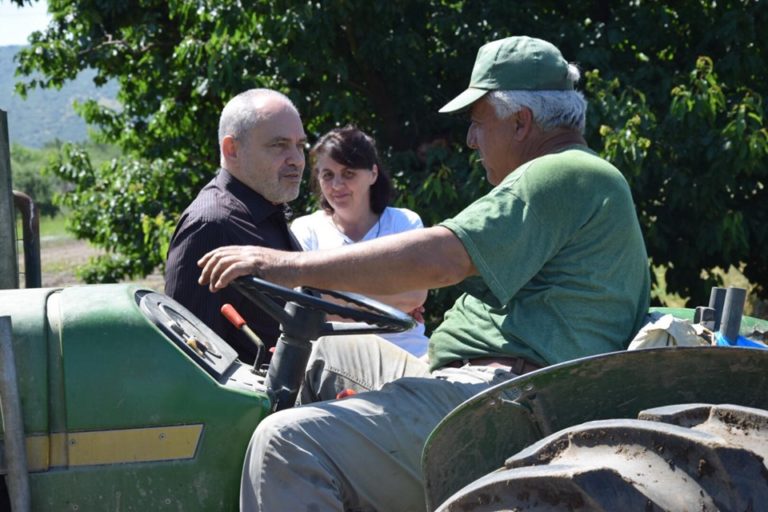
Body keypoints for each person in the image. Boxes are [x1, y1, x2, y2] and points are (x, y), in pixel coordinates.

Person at [198, 36, 651, 511]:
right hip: (490, 382)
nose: (472, 140)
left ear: (522, 123)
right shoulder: (576, 180)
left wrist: (287, 266)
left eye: (478, 124)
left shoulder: (561, 173)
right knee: (321, 350)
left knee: (285, 443)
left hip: (508, 404)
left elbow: (443, 257)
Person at [165, 88, 307, 364]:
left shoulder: (267, 211)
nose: (297, 160)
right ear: (232, 149)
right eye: (279, 145)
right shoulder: (211, 225)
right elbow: (190, 357)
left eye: (300, 145)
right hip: (259, 404)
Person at [290, 125, 429, 357]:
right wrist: (391, 301)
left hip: (409, 355)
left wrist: (332, 295)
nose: (336, 185)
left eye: (348, 173)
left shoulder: (405, 222)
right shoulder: (306, 229)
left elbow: (414, 296)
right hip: (337, 360)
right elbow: (307, 308)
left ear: (373, 174)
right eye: (327, 175)